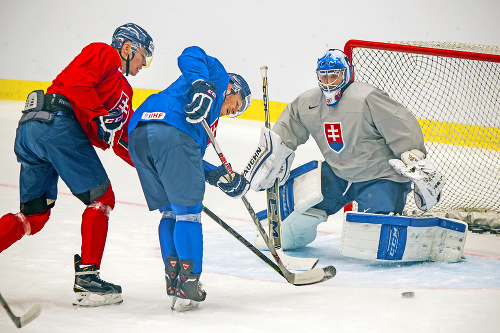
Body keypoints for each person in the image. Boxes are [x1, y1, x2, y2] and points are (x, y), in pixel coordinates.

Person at [0, 23, 154, 307]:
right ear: (128, 47)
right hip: (58, 124)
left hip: (34, 130)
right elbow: (76, 83)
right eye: (145, 54)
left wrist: (152, 168)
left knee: (33, 217)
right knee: (102, 198)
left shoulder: (125, 93)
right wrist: (98, 116)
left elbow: (121, 139)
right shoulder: (104, 53)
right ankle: (88, 278)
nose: (146, 62)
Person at [253, 49, 445, 251]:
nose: (328, 82)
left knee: (371, 240)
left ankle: (406, 226)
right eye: (324, 76)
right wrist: (274, 154)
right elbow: (289, 126)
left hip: (380, 177)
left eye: (334, 75)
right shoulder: (307, 102)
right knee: (297, 204)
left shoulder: (367, 96)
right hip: (339, 175)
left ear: (347, 73)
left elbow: (398, 122)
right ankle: (285, 231)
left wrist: (411, 153)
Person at [127, 46, 252, 311]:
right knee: (188, 213)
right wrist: (203, 86)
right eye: (237, 104)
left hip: (138, 135)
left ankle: (174, 280)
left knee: (170, 212)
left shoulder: (202, 117)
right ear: (232, 88)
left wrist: (217, 176)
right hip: (171, 132)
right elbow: (190, 53)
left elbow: (186, 159)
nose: (233, 111)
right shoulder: (215, 80)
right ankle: (189, 285)